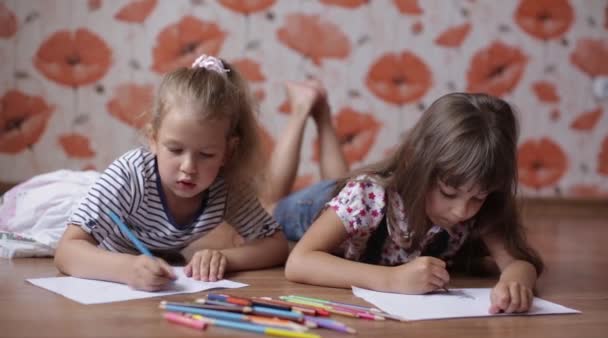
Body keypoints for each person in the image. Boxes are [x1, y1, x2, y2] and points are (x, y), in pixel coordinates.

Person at [271, 86, 543, 314]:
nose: (462, 211)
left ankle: (322, 115)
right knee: (270, 205)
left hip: (350, 207)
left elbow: (519, 263)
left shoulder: (479, 206)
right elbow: (299, 262)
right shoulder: (367, 195)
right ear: (417, 164)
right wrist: (391, 279)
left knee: (341, 183)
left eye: (479, 196)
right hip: (310, 208)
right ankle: (302, 108)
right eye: (448, 193)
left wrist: (515, 282)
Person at [54, 55, 289, 291]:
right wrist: (126, 269)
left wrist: (225, 258)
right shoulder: (131, 176)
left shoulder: (226, 186)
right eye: (175, 149)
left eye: (206, 154)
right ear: (153, 139)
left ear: (228, 152)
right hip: (102, 250)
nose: (188, 167)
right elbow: (66, 251)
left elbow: (276, 244)